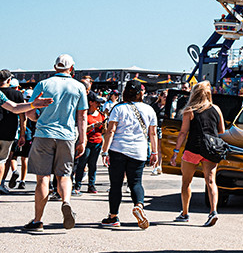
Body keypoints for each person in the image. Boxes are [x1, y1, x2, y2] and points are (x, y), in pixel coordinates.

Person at [23, 54, 87, 232]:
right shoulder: (79, 86)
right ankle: (66, 201)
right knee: (64, 175)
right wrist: (83, 139)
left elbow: (30, 109)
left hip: (44, 133)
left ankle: (37, 221)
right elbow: (82, 116)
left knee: (43, 178)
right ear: (72, 68)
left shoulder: (44, 84)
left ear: (55, 67)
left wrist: (36, 118)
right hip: (66, 136)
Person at [100, 80, 159, 229]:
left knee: (116, 184)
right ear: (141, 93)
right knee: (136, 182)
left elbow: (111, 131)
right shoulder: (149, 109)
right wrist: (154, 152)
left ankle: (113, 217)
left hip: (118, 150)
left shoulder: (118, 108)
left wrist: (105, 151)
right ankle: (139, 205)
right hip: (138, 151)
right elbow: (153, 133)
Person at [170, 81, 225, 226]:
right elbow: (221, 131)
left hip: (193, 148)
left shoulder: (190, 111)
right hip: (210, 150)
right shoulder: (216, 109)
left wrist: (176, 151)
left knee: (186, 181)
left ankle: (185, 213)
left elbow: (183, 132)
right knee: (211, 181)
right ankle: (213, 211)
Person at [72, 94, 105, 194]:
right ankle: (77, 185)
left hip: (97, 142)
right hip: (87, 142)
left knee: (93, 164)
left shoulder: (101, 115)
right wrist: (93, 126)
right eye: (97, 102)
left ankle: (91, 185)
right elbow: (81, 128)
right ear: (90, 103)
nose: (98, 104)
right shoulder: (85, 115)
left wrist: (104, 126)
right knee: (81, 164)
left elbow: (104, 131)